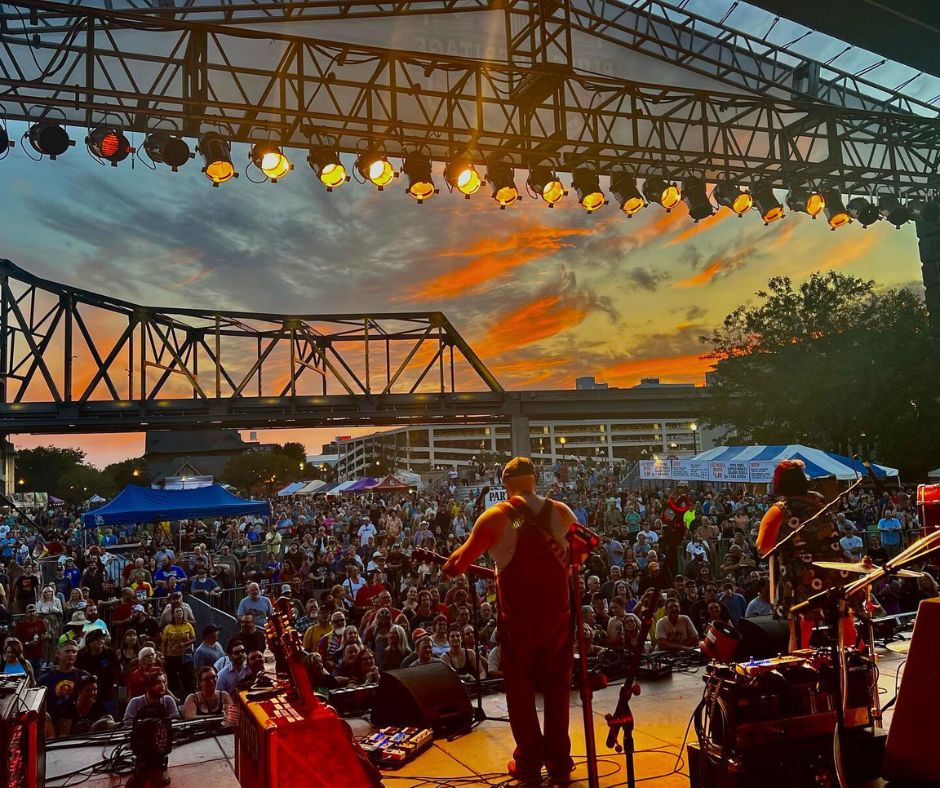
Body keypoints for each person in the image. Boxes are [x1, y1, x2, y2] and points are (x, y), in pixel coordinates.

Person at [443, 457, 577, 784]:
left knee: (520, 692)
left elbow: (459, 564)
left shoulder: (498, 518)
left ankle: (529, 762)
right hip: (558, 618)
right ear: (535, 481)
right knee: (558, 691)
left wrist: (449, 564)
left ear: (506, 485)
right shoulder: (562, 512)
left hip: (518, 623)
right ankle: (559, 761)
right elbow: (579, 558)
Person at [757, 460, 858, 652]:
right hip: (835, 570)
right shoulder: (818, 500)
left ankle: (801, 673)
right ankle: (858, 667)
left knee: (801, 633)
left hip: (803, 576)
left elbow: (764, 547)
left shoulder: (779, 510)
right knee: (845, 623)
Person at [38, 641, 89, 728]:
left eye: (74, 652)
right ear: (58, 654)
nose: (71, 654)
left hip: (77, 724)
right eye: (67, 651)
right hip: (53, 724)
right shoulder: (45, 679)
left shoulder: (83, 677)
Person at [161, 605, 196, 699]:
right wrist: (163, 656)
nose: (179, 613)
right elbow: (164, 643)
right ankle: (175, 697)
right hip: (171, 656)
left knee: (187, 677)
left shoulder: (188, 626)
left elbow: (193, 639)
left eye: (180, 611)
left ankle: (189, 696)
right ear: (173, 614)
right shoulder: (168, 628)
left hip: (184, 656)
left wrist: (185, 644)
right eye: (177, 611)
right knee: (172, 678)